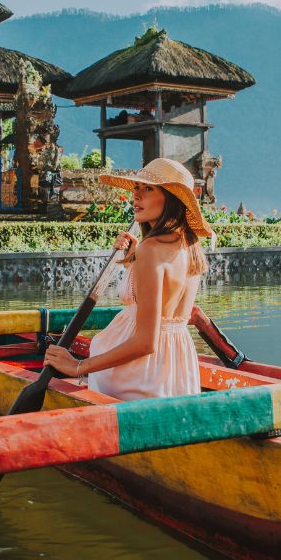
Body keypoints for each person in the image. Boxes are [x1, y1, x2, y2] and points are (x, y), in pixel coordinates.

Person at [43, 157, 214, 400]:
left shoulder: (151, 250)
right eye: (136, 188)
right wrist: (133, 258)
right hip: (176, 368)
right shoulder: (189, 246)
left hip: (140, 374)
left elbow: (146, 342)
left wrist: (77, 367)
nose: (137, 195)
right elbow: (167, 299)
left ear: (171, 199)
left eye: (148, 189)